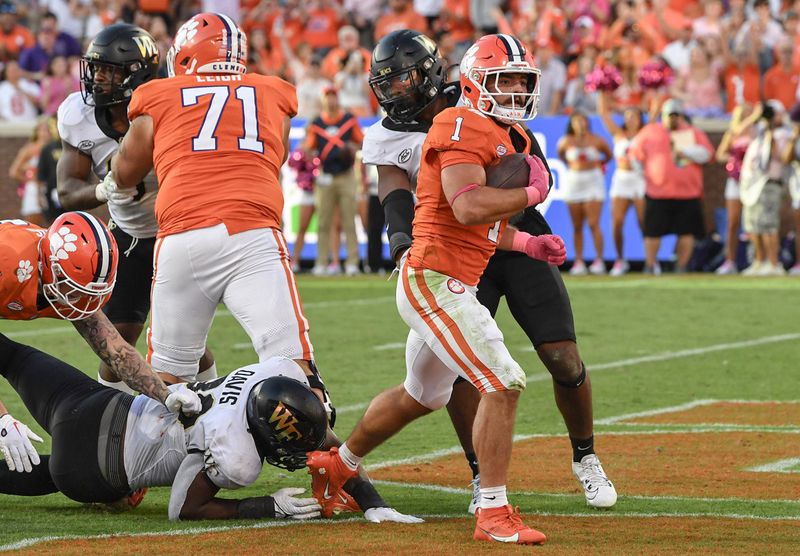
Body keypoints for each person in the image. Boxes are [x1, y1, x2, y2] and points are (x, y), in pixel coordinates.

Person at [308, 34, 569, 546]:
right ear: (473, 82)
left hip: (452, 277)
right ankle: (492, 511)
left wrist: (527, 244)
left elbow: (469, 222)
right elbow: (468, 205)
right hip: (433, 278)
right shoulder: (458, 123)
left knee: (421, 394)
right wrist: (533, 192)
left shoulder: (498, 132)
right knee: (503, 380)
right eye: (503, 81)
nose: (515, 91)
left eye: (522, 81)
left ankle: (337, 465)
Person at [362, 30, 616, 516]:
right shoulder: (388, 132)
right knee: (460, 372)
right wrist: (401, 246)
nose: (397, 91)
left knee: (562, 355)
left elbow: (527, 167)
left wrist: (519, 213)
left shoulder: (486, 95)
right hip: (454, 247)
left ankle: (585, 455)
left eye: (406, 79)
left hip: (514, 234)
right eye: (388, 83)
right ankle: (482, 474)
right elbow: (393, 191)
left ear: (435, 71)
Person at [0, 333, 326, 520]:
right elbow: (183, 508)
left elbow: (203, 359)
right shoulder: (237, 457)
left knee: (12, 355)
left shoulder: (260, 378)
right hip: (89, 468)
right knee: (48, 473)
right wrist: (268, 506)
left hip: (94, 406)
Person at [56, 23, 216, 394]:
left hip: (179, 230)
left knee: (182, 340)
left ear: (137, 75)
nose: (98, 78)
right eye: (96, 68)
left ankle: (215, 409)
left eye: (109, 70)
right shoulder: (78, 114)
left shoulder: (167, 104)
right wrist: (105, 187)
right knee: (117, 345)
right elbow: (67, 191)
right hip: (129, 234)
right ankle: (111, 422)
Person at [0, 213, 201, 475]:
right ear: (49, 266)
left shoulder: (59, 274)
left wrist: (165, 394)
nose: (80, 299)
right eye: (74, 288)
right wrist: (3, 419)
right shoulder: (8, 264)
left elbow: (116, 351)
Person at [629, 98, 714, 274]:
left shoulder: (693, 133)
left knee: (687, 232)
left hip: (688, 193)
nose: (673, 119)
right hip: (658, 192)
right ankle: (650, 265)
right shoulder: (651, 131)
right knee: (653, 232)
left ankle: (681, 266)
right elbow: (634, 153)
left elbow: (707, 154)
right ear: (663, 116)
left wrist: (686, 151)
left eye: (676, 116)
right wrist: (642, 173)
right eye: (670, 116)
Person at [305, 86, 364, 276]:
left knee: (349, 220)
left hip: (346, 174)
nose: (331, 101)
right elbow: (308, 146)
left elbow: (361, 141)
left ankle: (352, 262)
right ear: (323, 100)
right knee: (323, 221)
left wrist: (352, 148)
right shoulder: (316, 123)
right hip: (325, 174)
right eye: (327, 97)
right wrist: (307, 155)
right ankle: (322, 261)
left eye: (333, 97)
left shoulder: (348, 120)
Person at [557, 111, 612, 275]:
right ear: (572, 124)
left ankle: (599, 260)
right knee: (577, 225)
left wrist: (598, 164)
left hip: (593, 181)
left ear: (587, 122)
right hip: (574, 181)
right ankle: (579, 261)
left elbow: (608, 155)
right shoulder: (566, 141)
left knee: (594, 223)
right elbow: (561, 155)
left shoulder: (597, 140)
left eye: (582, 120)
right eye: (576, 121)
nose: (580, 124)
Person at [598, 90, 645, 276]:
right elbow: (603, 113)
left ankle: (651, 259)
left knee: (644, 222)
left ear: (640, 118)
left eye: (634, 116)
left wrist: (656, 90)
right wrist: (602, 88)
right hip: (622, 179)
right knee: (617, 222)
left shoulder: (645, 133)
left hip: (640, 179)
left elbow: (656, 109)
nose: (631, 119)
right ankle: (619, 260)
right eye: (628, 116)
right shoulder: (618, 134)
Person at [714, 104, 755, 275]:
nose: (747, 117)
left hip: (752, 181)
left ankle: (756, 260)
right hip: (735, 181)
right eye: (743, 114)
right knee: (733, 222)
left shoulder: (756, 132)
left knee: (753, 222)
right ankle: (729, 260)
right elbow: (719, 155)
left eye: (749, 114)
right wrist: (735, 159)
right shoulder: (733, 133)